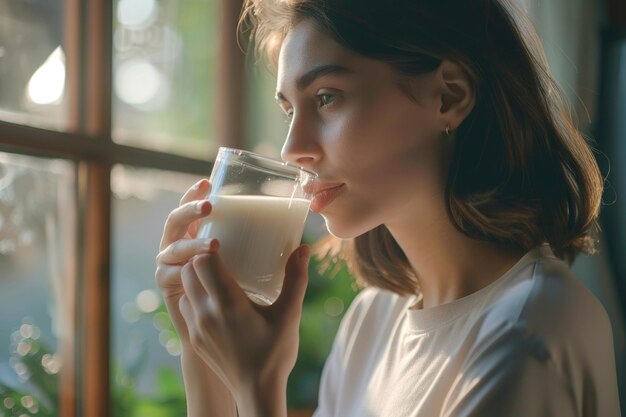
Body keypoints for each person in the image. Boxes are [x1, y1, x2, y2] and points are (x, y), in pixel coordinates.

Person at [155, 0, 622, 415]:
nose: (291, 148)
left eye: (326, 97)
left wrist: (258, 386)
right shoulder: (371, 323)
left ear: (449, 96)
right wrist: (203, 352)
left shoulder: (529, 332)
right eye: (288, 111)